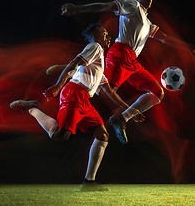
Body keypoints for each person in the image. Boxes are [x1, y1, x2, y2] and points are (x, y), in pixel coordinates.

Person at [61, 0, 195, 144]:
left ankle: (122, 118)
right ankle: (72, 82)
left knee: (157, 92)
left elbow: (166, 38)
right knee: (106, 89)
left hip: (132, 60)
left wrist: (193, 48)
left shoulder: (147, 24)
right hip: (119, 54)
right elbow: (105, 6)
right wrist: (78, 9)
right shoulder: (132, 6)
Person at [10, 23, 131, 191]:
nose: (108, 36)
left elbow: (109, 91)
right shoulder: (94, 47)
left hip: (84, 99)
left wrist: (130, 110)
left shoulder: (98, 62)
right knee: (60, 135)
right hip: (74, 93)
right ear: (95, 37)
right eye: (103, 34)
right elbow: (74, 63)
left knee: (102, 134)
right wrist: (58, 86)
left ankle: (89, 182)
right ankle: (31, 108)